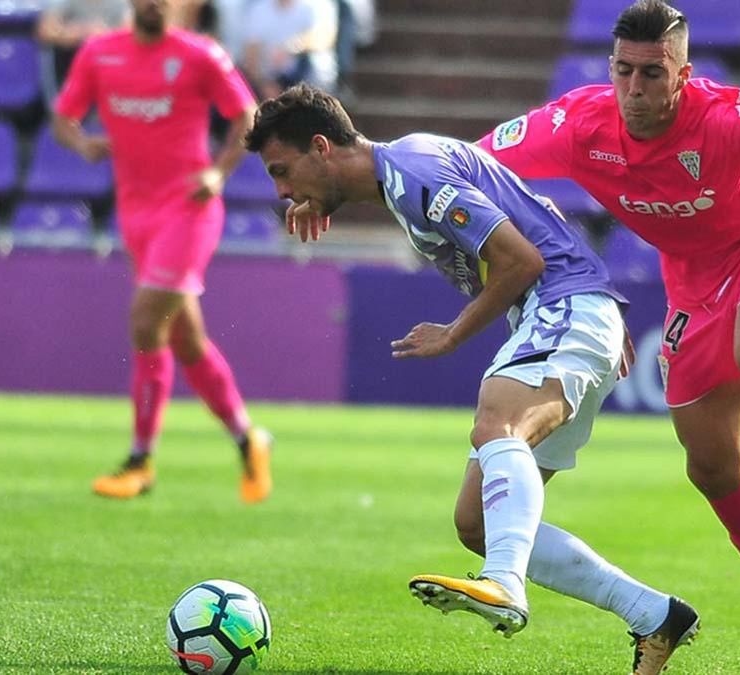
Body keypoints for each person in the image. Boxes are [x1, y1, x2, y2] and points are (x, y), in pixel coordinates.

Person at [474, 2, 740, 673]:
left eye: (653, 73)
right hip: (692, 285)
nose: (636, 89)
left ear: (683, 74)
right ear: (610, 68)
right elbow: (462, 166)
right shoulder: (576, 123)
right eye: (624, 71)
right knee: (710, 466)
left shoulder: (726, 114)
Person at [245, 83, 700, 675]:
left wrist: (455, 333)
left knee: (497, 421)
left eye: (284, 171)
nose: (282, 192)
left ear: (322, 147)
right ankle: (654, 615)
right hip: (573, 311)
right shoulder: (403, 173)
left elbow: (523, 259)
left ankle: (506, 584)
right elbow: (530, 211)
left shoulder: (413, 172)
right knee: (478, 522)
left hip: (561, 305)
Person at [52, 0, 273, 503]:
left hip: (189, 208)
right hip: (136, 214)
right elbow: (64, 116)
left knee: (146, 319)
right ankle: (248, 438)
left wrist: (218, 172)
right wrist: (82, 143)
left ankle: (140, 459)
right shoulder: (99, 53)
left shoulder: (200, 54)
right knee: (186, 341)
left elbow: (246, 115)